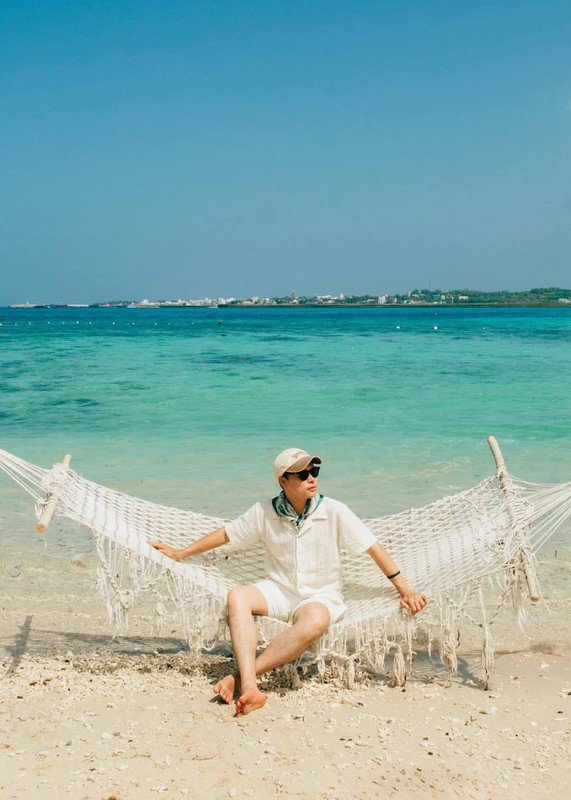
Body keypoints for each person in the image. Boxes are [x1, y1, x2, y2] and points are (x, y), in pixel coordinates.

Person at [149, 448, 428, 716]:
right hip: (280, 590)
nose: (311, 479)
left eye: (314, 471)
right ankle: (251, 688)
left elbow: (373, 547)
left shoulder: (334, 510)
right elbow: (226, 535)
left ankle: (240, 678)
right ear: (283, 481)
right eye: (303, 475)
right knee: (238, 596)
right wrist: (180, 553)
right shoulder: (264, 511)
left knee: (316, 620)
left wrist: (405, 591)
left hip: (320, 596)